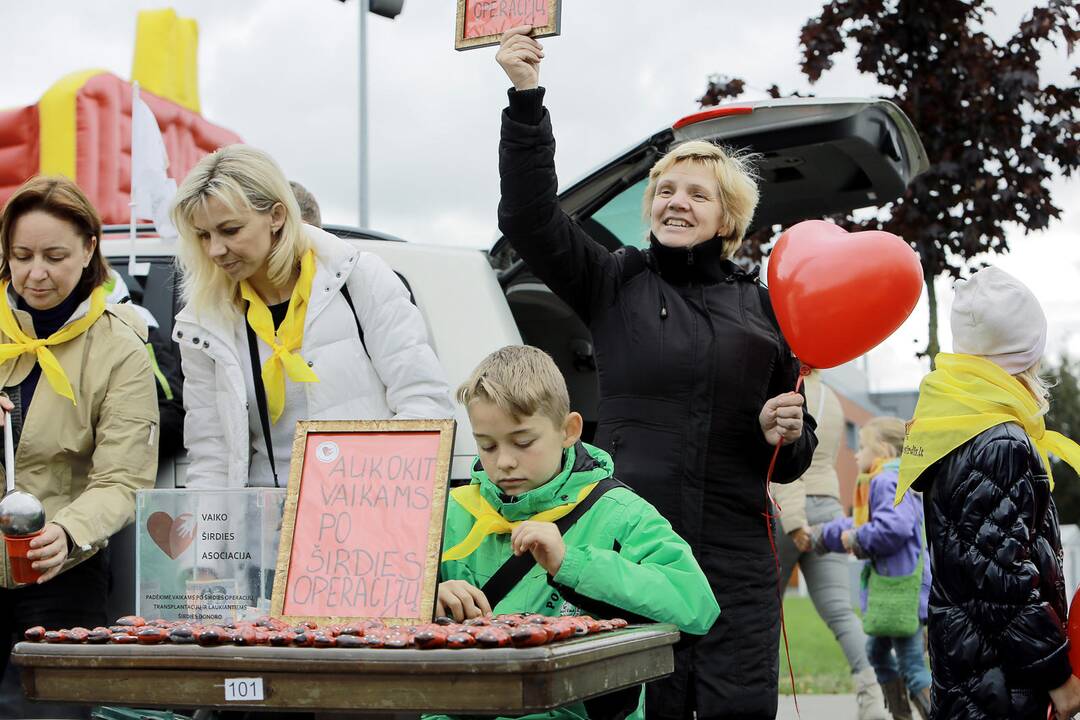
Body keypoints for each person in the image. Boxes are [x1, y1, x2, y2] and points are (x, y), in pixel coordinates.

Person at [494, 27, 816, 719]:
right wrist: (526, 100)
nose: (675, 202)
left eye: (696, 193)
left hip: (737, 559)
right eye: (664, 190)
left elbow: (791, 458)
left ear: (728, 215)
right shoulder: (616, 283)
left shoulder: (767, 310)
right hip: (630, 553)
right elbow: (527, 217)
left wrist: (784, 432)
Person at [433, 345, 720, 720]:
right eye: (486, 445)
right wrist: (424, 600)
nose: (503, 461)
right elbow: (363, 601)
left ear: (569, 430)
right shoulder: (449, 512)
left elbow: (696, 606)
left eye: (523, 442)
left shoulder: (621, 514)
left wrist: (573, 563)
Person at [171, 144, 453, 488]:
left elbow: (425, 403)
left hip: (365, 518)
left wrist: (368, 495)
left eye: (230, 230)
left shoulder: (360, 278)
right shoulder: (204, 320)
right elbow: (210, 456)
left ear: (276, 216)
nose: (215, 249)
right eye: (203, 235)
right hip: (266, 529)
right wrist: (215, 537)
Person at [0, 176, 159, 718]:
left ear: (91, 247)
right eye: (21, 255)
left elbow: (123, 478)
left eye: (54, 255)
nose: (35, 273)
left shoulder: (121, 344)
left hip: (61, 573)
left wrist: (68, 533)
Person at [898, 266, 1080, 720]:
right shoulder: (999, 441)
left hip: (978, 672)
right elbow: (1003, 583)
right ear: (1025, 353)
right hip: (1002, 682)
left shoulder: (958, 423)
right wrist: (1057, 676)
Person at [771, 371, 889, 720]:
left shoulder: (789, 388)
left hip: (792, 506)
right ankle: (872, 697)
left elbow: (789, 461)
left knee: (763, 613)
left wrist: (793, 521)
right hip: (829, 506)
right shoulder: (834, 399)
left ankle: (757, 696)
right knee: (839, 610)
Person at [817, 417, 931, 719]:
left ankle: (930, 711)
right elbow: (864, 523)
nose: (856, 454)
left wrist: (855, 538)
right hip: (895, 593)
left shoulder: (885, 480)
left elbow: (894, 527)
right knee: (877, 653)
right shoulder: (890, 479)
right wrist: (825, 535)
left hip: (900, 592)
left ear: (881, 449)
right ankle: (900, 711)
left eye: (862, 446)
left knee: (912, 664)